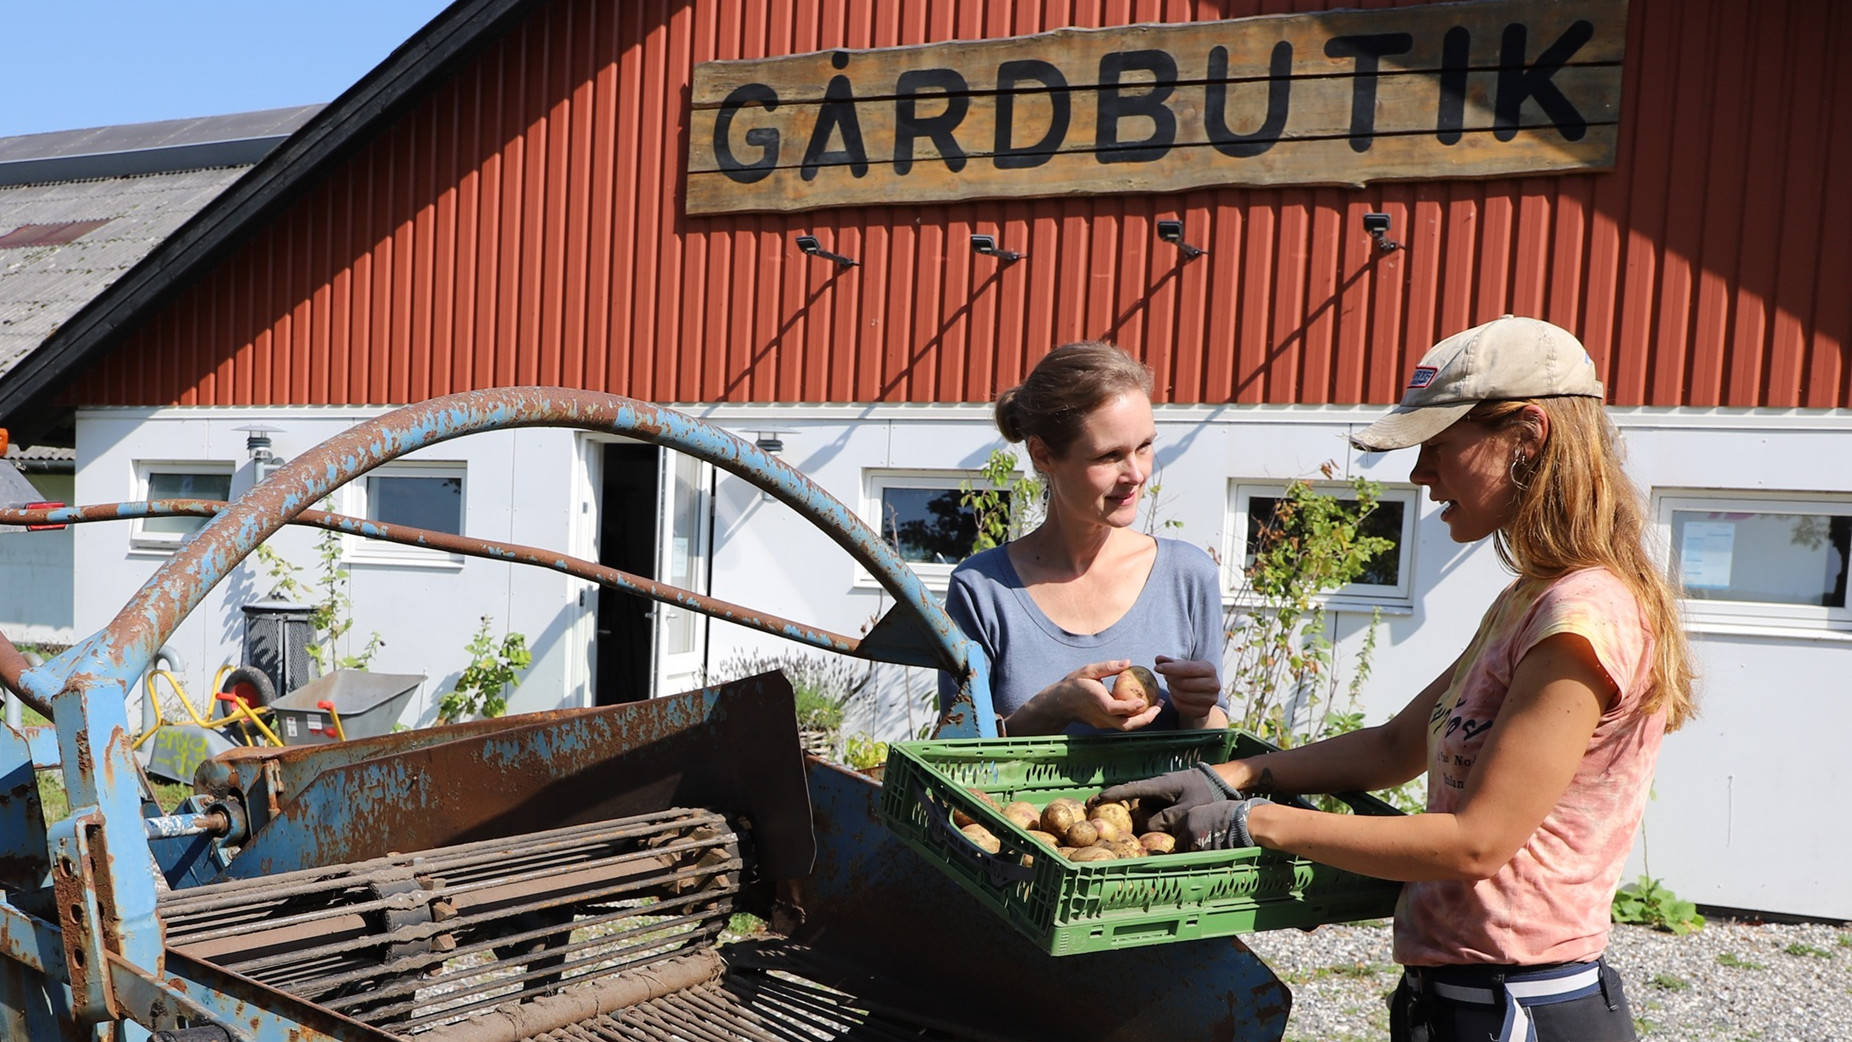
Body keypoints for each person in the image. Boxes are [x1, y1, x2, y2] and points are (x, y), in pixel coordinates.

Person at [1103, 316, 1695, 1042]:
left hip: (1524, 1006)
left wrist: (1255, 824)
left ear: (1529, 436)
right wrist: (1239, 774)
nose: (1419, 476)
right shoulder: (1527, 600)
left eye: (1439, 448)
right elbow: (1392, 747)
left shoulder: (1584, 619)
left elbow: (1476, 842)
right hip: (1457, 998)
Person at [939, 340, 1230, 735]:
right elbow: (958, 756)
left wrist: (1199, 709)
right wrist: (1052, 708)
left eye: (1144, 447)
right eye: (1109, 456)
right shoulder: (983, 591)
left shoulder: (1188, 576)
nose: (1136, 474)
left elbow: (1212, 739)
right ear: (1043, 456)